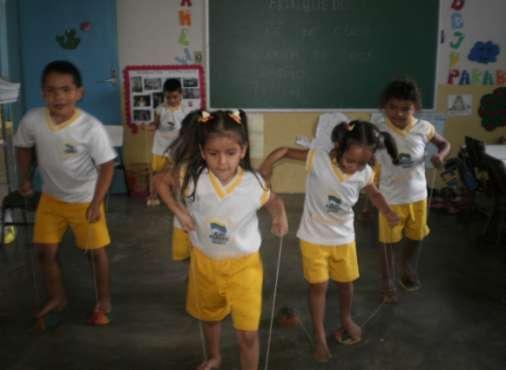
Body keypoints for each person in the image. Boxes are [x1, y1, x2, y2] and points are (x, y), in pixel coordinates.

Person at [156, 109, 288, 370]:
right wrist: (179, 211)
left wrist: (279, 216)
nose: (222, 162)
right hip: (205, 263)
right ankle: (214, 356)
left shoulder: (254, 183)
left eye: (230, 153)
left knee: (248, 333)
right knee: (210, 317)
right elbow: (160, 181)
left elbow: (274, 200)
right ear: (203, 152)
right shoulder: (191, 177)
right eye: (213, 154)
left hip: (245, 267)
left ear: (243, 150)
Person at [259, 120, 400, 362]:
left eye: (361, 163)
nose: (354, 168)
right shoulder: (318, 159)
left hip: (344, 239)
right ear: (337, 146)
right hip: (313, 238)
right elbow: (283, 151)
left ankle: (346, 319)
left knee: (346, 284)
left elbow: (373, 192)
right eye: (350, 161)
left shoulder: (364, 172)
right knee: (319, 287)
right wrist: (266, 168)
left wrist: (387, 211)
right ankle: (320, 335)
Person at [13, 60, 116, 327]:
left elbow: (106, 166)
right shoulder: (32, 120)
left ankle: (103, 301)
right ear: (42, 93)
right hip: (51, 199)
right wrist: (24, 179)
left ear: (79, 93)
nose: (58, 97)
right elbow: (23, 147)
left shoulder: (90, 127)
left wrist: (96, 202)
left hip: (85, 201)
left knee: (95, 254)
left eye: (66, 90)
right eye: (51, 90)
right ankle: (58, 297)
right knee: (45, 253)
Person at [375, 78, 451, 303]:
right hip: (390, 197)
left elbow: (444, 144)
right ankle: (388, 280)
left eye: (405, 108)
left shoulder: (423, 128)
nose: (398, 114)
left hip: (418, 196)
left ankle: (406, 264)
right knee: (387, 242)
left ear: (415, 107)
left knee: (416, 237)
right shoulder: (378, 128)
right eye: (393, 108)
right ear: (385, 107)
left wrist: (440, 156)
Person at [144, 78, 187, 206]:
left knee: (176, 172)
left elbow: (186, 129)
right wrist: (148, 126)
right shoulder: (160, 109)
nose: (172, 100)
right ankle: (153, 195)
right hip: (160, 147)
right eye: (168, 97)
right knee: (156, 171)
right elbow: (155, 124)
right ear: (164, 95)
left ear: (181, 94)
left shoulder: (185, 110)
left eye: (175, 97)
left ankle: (177, 196)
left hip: (177, 147)